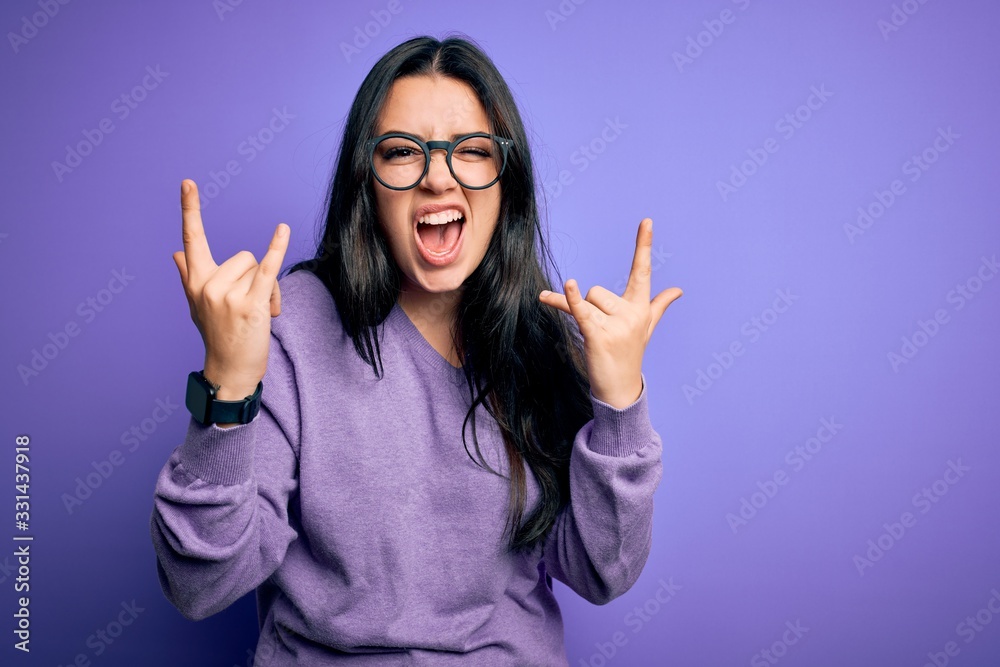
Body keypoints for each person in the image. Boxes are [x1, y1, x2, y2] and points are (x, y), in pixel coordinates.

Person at [150, 34, 683, 666]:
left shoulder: (546, 341)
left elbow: (604, 571)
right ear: (366, 183)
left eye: (472, 151)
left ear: (504, 184)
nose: (437, 177)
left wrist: (619, 406)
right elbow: (200, 586)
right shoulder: (289, 328)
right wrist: (227, 384)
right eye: (402, 152)